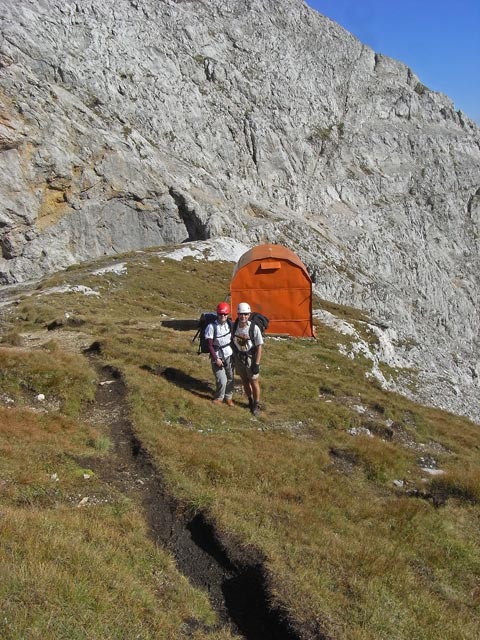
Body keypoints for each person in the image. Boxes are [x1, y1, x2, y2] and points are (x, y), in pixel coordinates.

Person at [232, 302, 263, 416]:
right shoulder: (234, 326)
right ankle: (249, 400)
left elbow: (259, 346)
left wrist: (257, 363)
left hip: (251, 358)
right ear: (238, 314)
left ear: (249, 314)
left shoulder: (254, 328)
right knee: (244, 381)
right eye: (241, 314)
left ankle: (256, 404)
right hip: (239, 357)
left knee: (254, 381)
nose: (243, 316)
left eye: (245, 314)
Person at [205, 302, 234, 406]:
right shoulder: (211, 327)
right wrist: (216, 358)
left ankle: (228, 397)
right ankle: (219, 397)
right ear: (217, 314)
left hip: (229, 354)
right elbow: (209, 345)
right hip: (217, 355)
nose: (223, 316)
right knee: (222, 379)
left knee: (230, 377)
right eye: (221, 314)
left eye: (225, 314)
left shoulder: (229, 324)